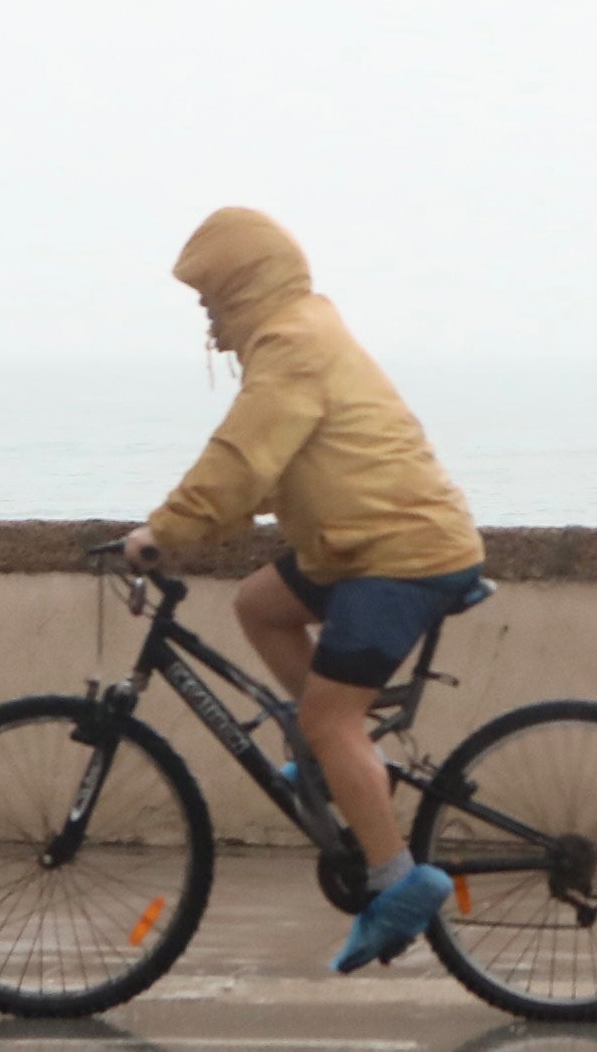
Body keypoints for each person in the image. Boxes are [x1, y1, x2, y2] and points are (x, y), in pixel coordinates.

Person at [117, 206, 489, 974]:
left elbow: (243, 457)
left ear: (245, 285)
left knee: (328, 716)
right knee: (260, 605)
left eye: (210, 294)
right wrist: (202, 520)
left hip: (399, 551)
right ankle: (336, 761)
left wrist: (166, 529)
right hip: (358, 541)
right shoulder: (296, 335)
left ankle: (398, 882)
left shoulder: (293, 345)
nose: (205, 312)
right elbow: (273, 464)